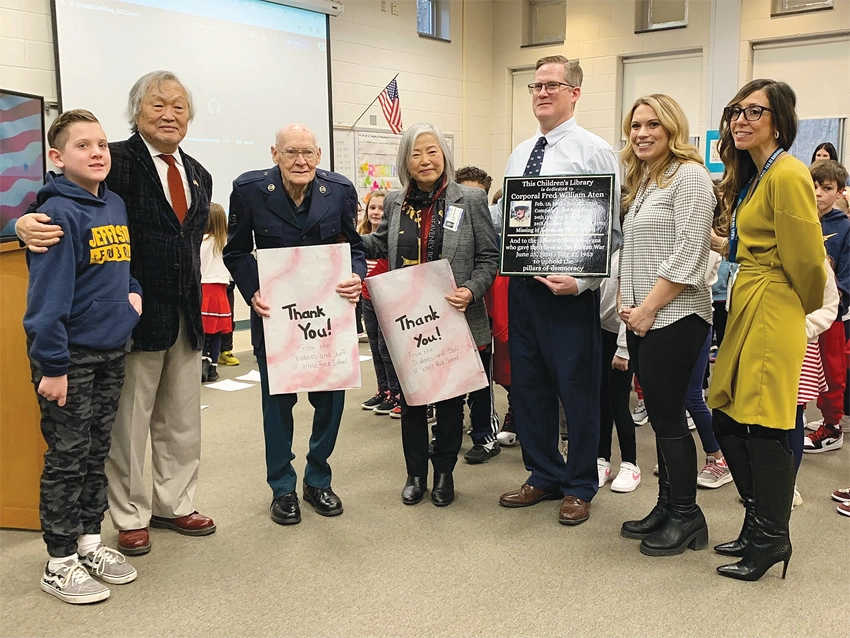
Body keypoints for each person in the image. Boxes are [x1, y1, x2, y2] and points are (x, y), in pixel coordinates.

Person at [16, 71, 216, 556]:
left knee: (182, 421)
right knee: (128, 425)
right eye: (157, 105)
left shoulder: (199, 173)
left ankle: (175, 502)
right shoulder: (116, 160)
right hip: (129, 323)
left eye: (179, 107)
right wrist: (24, 220)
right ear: (137, 111)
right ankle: (130, 514)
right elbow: (65, 188)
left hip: (186, 316)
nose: (169, 114)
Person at [708, 79, 826, 582]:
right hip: (748, 296)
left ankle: (771, 537)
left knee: (768, 420)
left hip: (774, 302)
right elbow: (754, 241)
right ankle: (759, 521)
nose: (741, 119)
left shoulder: (790, 172)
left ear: (778, 120)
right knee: (730, 412)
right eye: (736, 110)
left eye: (754, 111)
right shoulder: (758, 174)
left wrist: (796, 308)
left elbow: (806, 259)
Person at [497, 55, 620, 526]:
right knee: (529, 387)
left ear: (575, 93)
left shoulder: (595, 152)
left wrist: (583, 281)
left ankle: (579, 484)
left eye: (553, 85)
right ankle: (543, 474)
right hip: (523, 289)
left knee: (578, 389)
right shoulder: (519, 152)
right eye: (536, 85)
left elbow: (613, 232)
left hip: (569, 294)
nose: (542, 93)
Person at [25, 109, 141, 604]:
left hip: (112, 349)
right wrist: (52, 365)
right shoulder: (56, 215)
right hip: (68, 357)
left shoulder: (113, 202)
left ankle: (90, 541)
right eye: (82, 146)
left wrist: (132, 297)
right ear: (56, 157)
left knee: (97, 452)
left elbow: (120, 266)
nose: (97, 153)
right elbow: (45, 304)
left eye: (102, 144)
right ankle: (59, 559)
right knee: (67, 459)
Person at [224, 124, 366, 525]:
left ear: (319, 155)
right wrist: (252, 289)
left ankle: (318, 478)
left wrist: (355, 274)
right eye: (291, 153)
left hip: (329, 318)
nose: (300, 161)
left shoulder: (338, 190)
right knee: (277, 404)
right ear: (275, 154)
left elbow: (354, 245)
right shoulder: (250, 190)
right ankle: (282, 488)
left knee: (330, 402)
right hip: (276, 318)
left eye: (308, 153)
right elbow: (235, 252)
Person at [363, 122, 499, 506]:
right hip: (408, 320)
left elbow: (489, 257)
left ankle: (443, 474)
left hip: (454, 317)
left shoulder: (469, 201)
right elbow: (379, 243)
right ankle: (415, 474)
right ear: (406, 160)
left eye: (432, 151)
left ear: (444, 156)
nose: (425, 160)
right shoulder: (394, 201)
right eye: (416, 153)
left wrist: (471, 290)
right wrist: (344, 235)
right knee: (413, 402)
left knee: (452, 402)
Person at [617, 94, 715, 557]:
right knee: (659, 417)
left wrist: (650, 307)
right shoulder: (644, 181)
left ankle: (687, 516)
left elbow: (690, 253)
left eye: (653, 124)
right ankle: (666, 504)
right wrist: (627, 302)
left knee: (672, 418)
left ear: (673, 128)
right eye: (635, 125)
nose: (642, 133)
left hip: (675, 317)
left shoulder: (690, 178)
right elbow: (634, 253)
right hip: (643, 319)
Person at [454, 165, 501, 463]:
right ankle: (450, 427)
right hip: (443, 313)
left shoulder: (488, 227)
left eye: (478, 195)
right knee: (450, 377)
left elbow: (489, 263)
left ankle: (485, 434)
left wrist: (473, 290)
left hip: (477, 308)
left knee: (481, 379)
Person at [804, 160, 849, 453]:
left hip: (832, 315)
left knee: (832, 372)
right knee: (805, 370)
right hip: (800, 311)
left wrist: (835, 302)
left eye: (827, 188)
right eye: (815, 186)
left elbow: (846, 277)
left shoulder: (844, 228)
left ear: (840, 192)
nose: (819, 193)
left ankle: (832, 426)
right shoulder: (801, 220)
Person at [596, 249, 640, 493]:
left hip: (623, 333)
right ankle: (602, 458)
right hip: (600, 331)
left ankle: (630, 462)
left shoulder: (628, 254)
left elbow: (630, 299)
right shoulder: (606, 251)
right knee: (601, 400)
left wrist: (624, 348)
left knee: (618, 403)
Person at [357, 190, 402, 417]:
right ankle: (383, 389)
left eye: (381, 208)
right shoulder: (362, 235)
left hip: (387, 300)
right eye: (372, 207)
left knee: (387, 348)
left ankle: (396, 393)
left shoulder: (389, 239)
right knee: (375, 347)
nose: (376, 212)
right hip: (368, 299)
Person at [200, 202, 232, 384]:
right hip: (220, 292)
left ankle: (202, 362)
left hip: (204, 289)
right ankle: (213, 368)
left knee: (204, 330)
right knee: (217, 332)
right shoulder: (225, 243)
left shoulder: (201, 241)